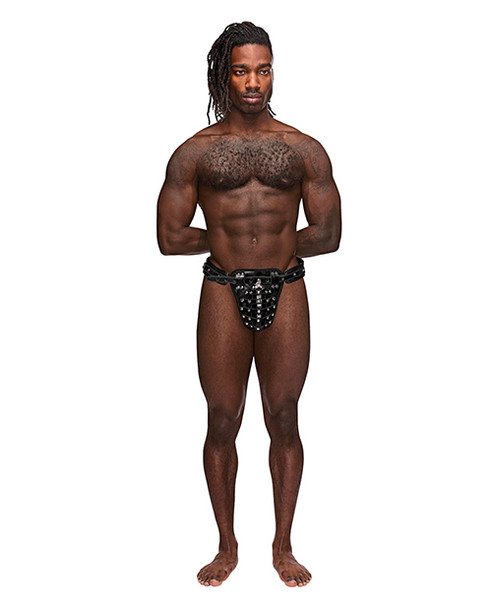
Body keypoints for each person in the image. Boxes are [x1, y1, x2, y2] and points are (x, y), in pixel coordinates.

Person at [157, 21, 341, 587]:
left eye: (263, 70)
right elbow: (170, 238)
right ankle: (226, 544)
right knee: (221, 419)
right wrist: (231, 243)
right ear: (224, 75)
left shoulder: (303, 149)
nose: (254, 82)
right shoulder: (194, 153)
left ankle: (283, 545)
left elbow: (329, 234)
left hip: (287, 288)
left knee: (284, 417)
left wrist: (274, 248)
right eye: (241, 71)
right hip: (221, 288)